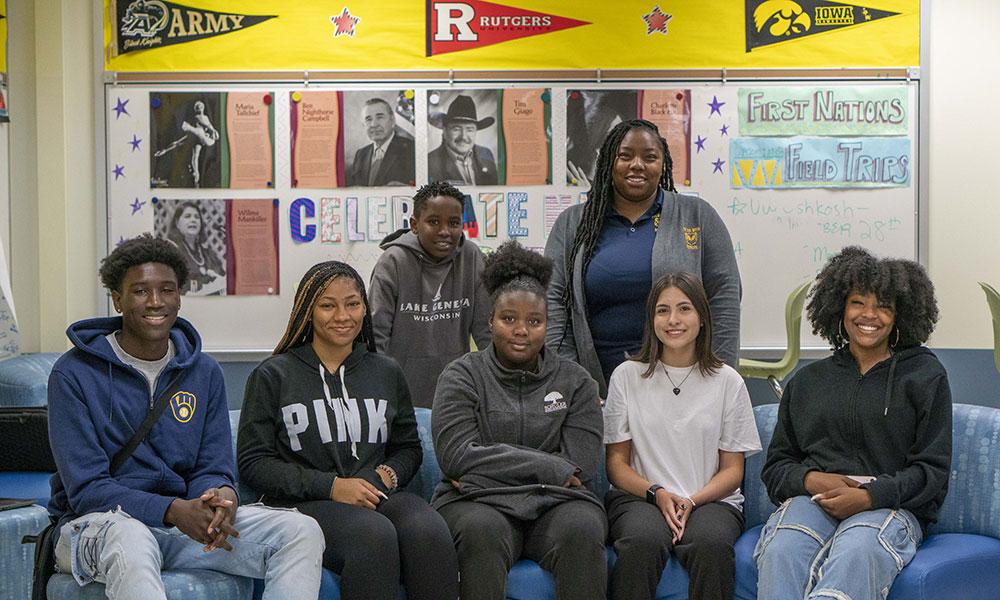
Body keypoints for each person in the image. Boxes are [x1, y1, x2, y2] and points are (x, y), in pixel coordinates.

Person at [46, 234, 324, 600]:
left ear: (179, 295)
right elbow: (87, 490)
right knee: (132, 537)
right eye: (141, 291)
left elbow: (213, 466)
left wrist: (219, 500)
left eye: (167, 289)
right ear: (117, 298)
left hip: (180, 527)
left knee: (301, 531)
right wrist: (173, 510)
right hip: (96, 527)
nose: (156, 302)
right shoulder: (73, 374)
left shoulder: (204, 372)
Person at [237, 260, 459, 600]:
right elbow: (254, 464)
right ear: (307, 311)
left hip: (374, 494)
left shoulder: (386, 371)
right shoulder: (272, 376)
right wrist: (333, 486)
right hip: (302, 505)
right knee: (373, 536)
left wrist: (384, 475)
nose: (343, 316)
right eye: (328, 305)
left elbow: (409, 448)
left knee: (428, 530)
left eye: (353, 304)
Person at [755, 246, 951, 600]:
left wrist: (868, 496)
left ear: (900, 315)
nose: (869, 315)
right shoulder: (808, 381)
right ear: (840, 309)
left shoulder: (925, 376)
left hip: (892, 507)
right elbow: (776, 469)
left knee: (858, 552)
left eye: (884, 306)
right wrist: (813, 479)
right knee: (780, 553)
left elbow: (931, 472)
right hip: (814, 500)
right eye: (858, 302)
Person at [432, 240, 607, 600]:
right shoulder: (461, 375)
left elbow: (582, 465)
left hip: (555, 506)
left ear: (547, 323)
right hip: (478, 506)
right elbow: (455, 456)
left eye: (534, 321)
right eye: (508, 319)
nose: (521, 330)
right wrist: (552, 468)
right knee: (481, 531)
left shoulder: (576, 382)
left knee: (584, 527)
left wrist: (483, 470)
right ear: (490, 320)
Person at [546, 118, 741, 399]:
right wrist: (570, 379)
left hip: (685, 387)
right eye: (625, 156)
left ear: (663, 164)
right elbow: (553, 302)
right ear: (608, 163)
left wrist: (716, 377)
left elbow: (724, 296)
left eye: (650, 157)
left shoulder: (697, 215)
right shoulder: (572, 224)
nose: (637, 165)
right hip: (594, 389)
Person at [603, 272, 761, 600]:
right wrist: (657, 493)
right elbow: (616, 465)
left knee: (711, 545)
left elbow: (733, 471)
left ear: (702, 318)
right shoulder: (626, 376)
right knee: (642, 542)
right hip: (639, 498)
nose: (673, 320)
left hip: (711, 501)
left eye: (684, 309)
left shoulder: (728, 381)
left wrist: (691, 500)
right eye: (662, 310)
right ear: (652, 319)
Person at [368, 181, 491, 409]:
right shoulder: (393, 262)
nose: (444, 231)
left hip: (457, 389)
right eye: (433, 222)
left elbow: (486, 331)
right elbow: (376, 334)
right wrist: (381, 390)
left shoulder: (472, 257)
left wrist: (493, 385)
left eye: (454, 223)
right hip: (401, 392)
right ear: (415, 225)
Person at [427, 94, 499, 185]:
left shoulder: (485, 154)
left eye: (470, 130)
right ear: (444, 132)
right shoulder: (430, 163)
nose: (464, 137)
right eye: (456, 129)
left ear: (476, 131)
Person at [346, 97, 415, 187]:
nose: (374, 124)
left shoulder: (411, 149)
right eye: (368, 119)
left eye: (380, 117)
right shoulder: (361, 154)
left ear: (392, 120)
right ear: (363, 124)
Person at [153, 99, 219, 188]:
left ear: (203, 108)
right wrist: (164, 150)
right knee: (194, 157)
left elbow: (209, 126)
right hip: (199, 136)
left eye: (200, 106)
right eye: (197, 107)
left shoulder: (204, 118)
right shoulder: (198, 118)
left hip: (204, 137)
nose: (199, 109)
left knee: (194, 153)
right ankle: (196, 176)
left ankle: (196, 176)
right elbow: (177, 143)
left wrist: (213, 132)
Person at [164, 201, 225, 295]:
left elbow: (223, 278)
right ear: (177, 223)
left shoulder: (209, 254)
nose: (193, 220)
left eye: (197, 217)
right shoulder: (172, 252)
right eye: (187, 216)